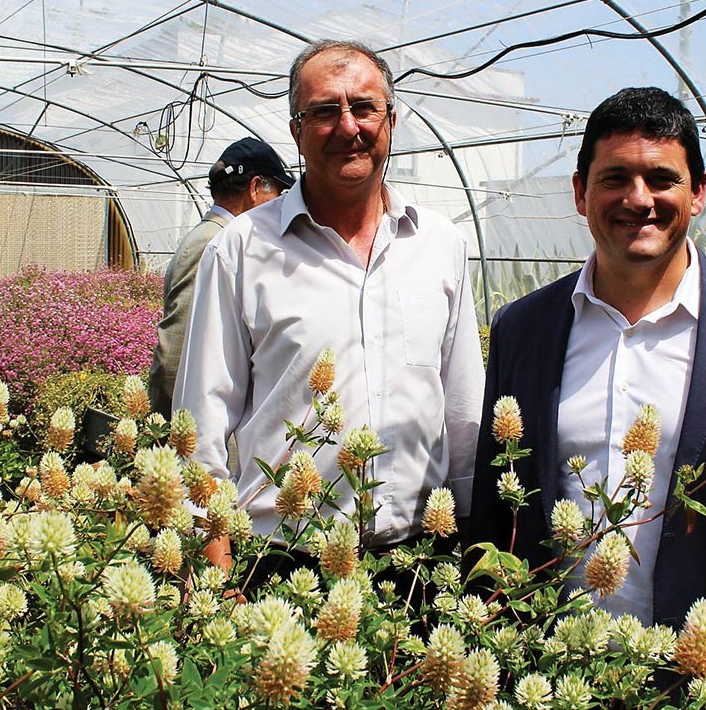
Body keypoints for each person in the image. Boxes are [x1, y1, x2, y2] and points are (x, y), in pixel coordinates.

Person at [469, 87, 706, 707]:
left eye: (661, 178)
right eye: (614, 177)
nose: (638, 199)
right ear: (579, 192)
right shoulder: (524, 330)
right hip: (552, 679)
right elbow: (496, 513)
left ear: (697, 193)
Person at [173, 40, 483, 568]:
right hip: (283, 559)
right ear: (295, 131)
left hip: (421, 564)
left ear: (391, 120)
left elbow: (462, 410)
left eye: (364, 107)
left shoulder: (439, 244)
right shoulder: (242, 249)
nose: (347, 127)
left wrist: (473, 547)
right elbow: (201, 418)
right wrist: (215, 569)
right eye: (323, 112)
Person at [148, 137, 294, 416]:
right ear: (254, 189)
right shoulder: (213, 244)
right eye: (276, 192)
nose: (278, 205)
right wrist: (174, 431)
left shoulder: (213, 237)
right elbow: (173, 355)